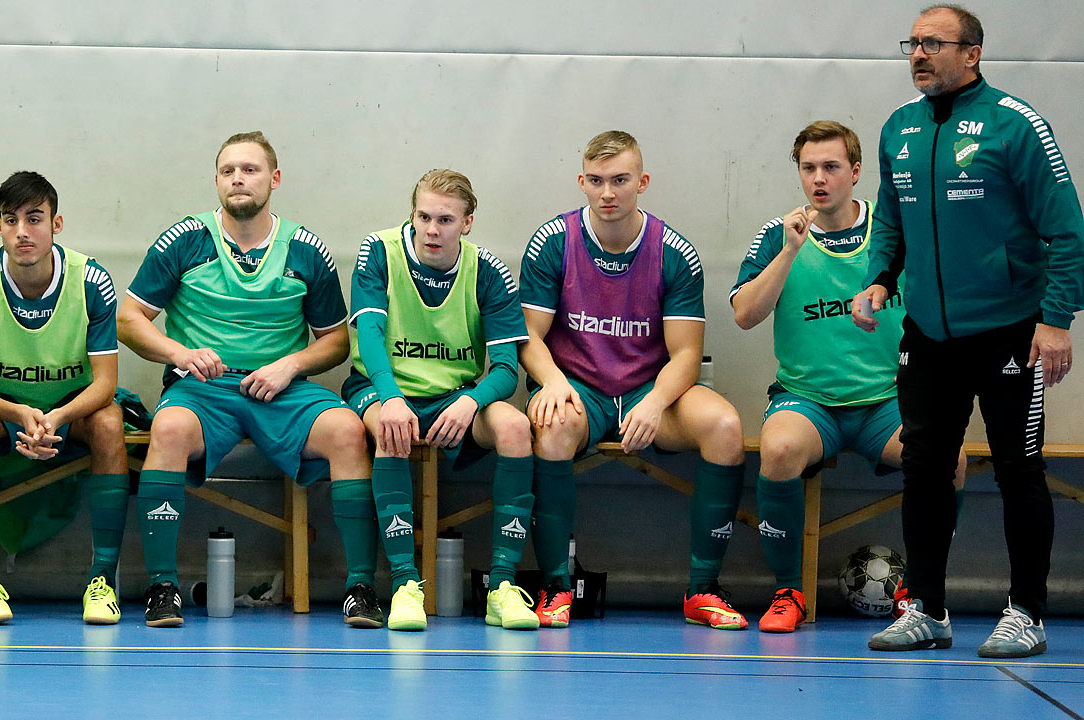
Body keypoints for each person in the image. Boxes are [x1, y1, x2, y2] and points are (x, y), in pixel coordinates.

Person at [855, 4, 1083, 657]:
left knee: (1018, 467)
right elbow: (891, 224)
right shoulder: (899, 129)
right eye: (913, 43)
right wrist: (880, 281)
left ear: (972, 53)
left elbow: (1068, 232)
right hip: (928, 335)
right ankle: (925, 608)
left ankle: (1027, 612)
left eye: (933, 43)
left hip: (1012, 330)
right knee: (924, 469)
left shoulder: (1017, 126)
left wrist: (1056, 320)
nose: (919, 54)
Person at [118, 131, 379, 628]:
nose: (238, 178)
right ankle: (162, 587)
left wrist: (291, 365)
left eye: (251, 169)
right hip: (202, 390)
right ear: (216, 181)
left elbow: (337, 340)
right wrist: (181, 353)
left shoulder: (305, 249)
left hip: (281, 390)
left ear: (274, 179)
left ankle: (360, 587)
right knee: (168, 431)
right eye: (227, 171)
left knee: (347, 432)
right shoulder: (186, 239)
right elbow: (129, 319)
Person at [730, 121, 962, 633]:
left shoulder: (895, 230)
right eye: (809, 168)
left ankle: (922, 592)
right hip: (809, 400)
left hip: (888, 402)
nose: (819, 179)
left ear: (855, 172)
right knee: (779, 449)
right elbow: (744, 315)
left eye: (831, 167)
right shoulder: (780, 234)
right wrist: (790, 251)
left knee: (950, 458)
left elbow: (944, 295)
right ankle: (789, 591)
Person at [519, 130, 748, 629]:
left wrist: (654, 401)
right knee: (553, 428)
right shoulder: (553, 242)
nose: (608, 193)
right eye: (597, 181)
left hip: (651, 391)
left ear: (642, 182)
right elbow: (529, 338)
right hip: (578, 387)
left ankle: (703, 590)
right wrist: (552, 382)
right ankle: (557, 587)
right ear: (581, 182)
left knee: (726, 428)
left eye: (620, 180)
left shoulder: (673, 252)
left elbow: (687, 354)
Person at [344, 169, 532, 632]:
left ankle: (502, 587)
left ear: (467, 223)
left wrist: (473, 400)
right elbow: (367, 333)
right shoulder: (380, 252)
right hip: (382, 387)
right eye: (424, 217)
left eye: (445, 220)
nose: (432, 229)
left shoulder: (488, 270)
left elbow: (507, 368)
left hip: (455, 397)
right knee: (392, 432)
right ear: (412, 215)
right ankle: (406, 586)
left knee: (515, 427)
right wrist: (390, 397)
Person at [0, 171, 129, 625]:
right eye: (11, 220)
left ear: (56, 224)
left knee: (109, 421)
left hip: (71, 406)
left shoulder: (91, 280)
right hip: (1, 408)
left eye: (35, 218)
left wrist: (57, 415)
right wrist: (20, 413)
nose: (22, 231)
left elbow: (104, 383)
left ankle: (102, 581)